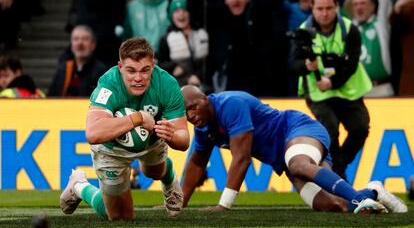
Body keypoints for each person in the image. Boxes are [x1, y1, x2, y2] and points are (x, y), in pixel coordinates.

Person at [181, 85, 408, 214]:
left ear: (206, 98)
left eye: (194, 107)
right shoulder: (203, 129)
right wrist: (179, 202)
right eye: (186, 113)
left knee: (298, 164)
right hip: (285, 158)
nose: (191, 115)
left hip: (298, 129)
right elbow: (196, 163)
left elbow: (242, 159)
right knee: (332, 205)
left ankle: (359, 199)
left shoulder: (230, 104)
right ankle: (374, 192)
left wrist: (224, 205)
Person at [59, 37, 189, 220]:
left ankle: (169, 180)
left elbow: (184, 140)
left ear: (153, 65)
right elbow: (93, 133)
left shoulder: (167, 84)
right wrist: (137, 118)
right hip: (111, 148)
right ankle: (79, 185)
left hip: (152, 140)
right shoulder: (108, 84)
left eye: (145, 70)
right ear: (120, 67)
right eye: (131, 71)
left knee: (153, 172)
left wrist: (173, 135)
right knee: (118, 216)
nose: (138, 78)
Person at [290, 0, 373, 180]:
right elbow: (292, 64)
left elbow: (352, 64)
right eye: (320, 9)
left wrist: (332, 82)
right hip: (318, 93)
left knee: (360, 128)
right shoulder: (303, 31)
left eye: (328, 8)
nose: (324, 13)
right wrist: (305, 66)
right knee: (330, 128)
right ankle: (338, 176)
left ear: (336, 6)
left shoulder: (350, 29)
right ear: (312, 8)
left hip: (348, 89)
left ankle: (337, 165)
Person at [48, 25, 107, 97]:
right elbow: (51, 98)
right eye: (76, 39)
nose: (80, 43)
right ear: (71, 44)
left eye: (85, 39)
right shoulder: (63, 69)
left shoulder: (102, 72)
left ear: (93, 45)